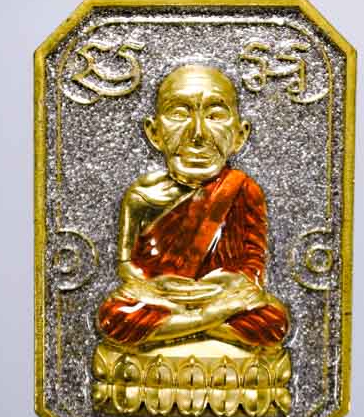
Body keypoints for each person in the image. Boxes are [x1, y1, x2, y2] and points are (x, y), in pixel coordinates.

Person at [97, 65, 289, 351]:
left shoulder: (243, 189)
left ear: (240, 134)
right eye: (179, 113)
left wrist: (228, 282)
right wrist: (157, 286)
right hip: (163, 297)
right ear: (154, 132)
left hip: (221, 293)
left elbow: (254, 265)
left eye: (215, 115)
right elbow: (126, 266)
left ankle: (181, 327)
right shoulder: (141, 195)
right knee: (114, 316)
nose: (197, 134)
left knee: (274, 321)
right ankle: (208, 322)